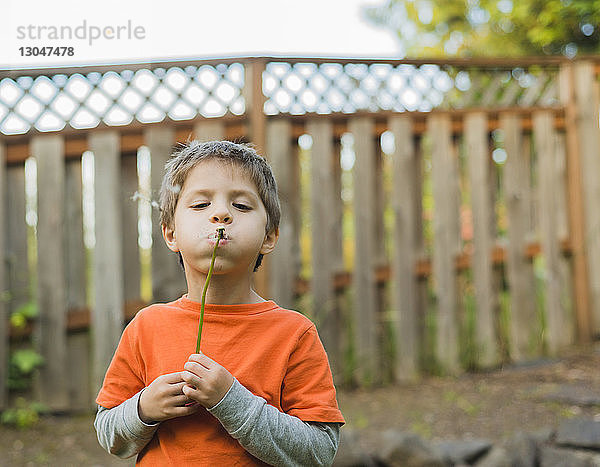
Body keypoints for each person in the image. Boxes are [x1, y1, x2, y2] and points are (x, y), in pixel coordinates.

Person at [94, 140, 345, 466]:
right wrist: (143, 408)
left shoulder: (293, 333)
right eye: (200, 205)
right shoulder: (147, 326)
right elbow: (109, 434)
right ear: (170, 233)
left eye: (241, 206)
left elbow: (319, 452)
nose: (221, 214)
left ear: (269, 236)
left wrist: (232, 400)